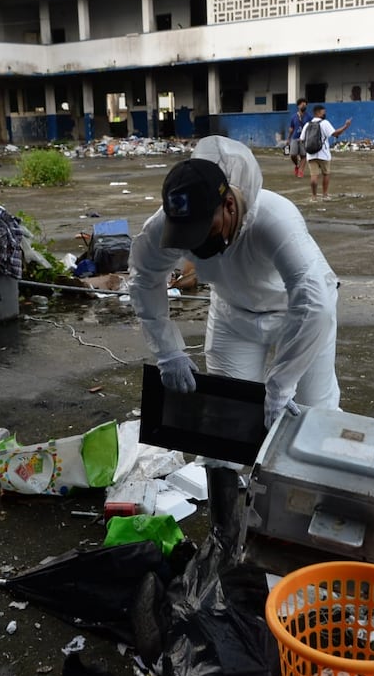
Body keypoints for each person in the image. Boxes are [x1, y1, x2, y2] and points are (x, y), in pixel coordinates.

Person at [129, 136, 340, 431]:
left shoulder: (274, 219)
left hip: (299, 314)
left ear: (228, 204)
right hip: (234, 312)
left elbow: (312, 303)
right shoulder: (162, 225)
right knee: (225, 417)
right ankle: (222, 475)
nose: (196, 243)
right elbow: (144, 280)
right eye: (185, 235)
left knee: (311, 415)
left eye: (204, 229)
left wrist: (281, 386)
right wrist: (168, 351)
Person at [301, 104, 351, 202]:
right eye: (323, 112)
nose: (325, 114)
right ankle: (325, 195)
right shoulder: (324, 123)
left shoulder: (307, 125)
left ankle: (314, 197)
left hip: (311, 154)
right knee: (326, 174)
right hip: (323, 154)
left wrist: (309, 147)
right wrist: (346, 126)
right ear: (318, 113)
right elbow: (335, 133)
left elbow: (302, 139)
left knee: (313, 176)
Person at [285, 98, 311, 178]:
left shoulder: (309, 117)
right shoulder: (294, 117)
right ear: (298, 106)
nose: (304, 106)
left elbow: (311, 127)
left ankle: (300, 172)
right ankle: (297, 165)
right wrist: (288, 139)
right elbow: (291, 128)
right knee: (293, 155)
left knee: (304, 156)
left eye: (305, 104)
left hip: (304, 139)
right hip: (295, 138)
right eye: (302, 104)